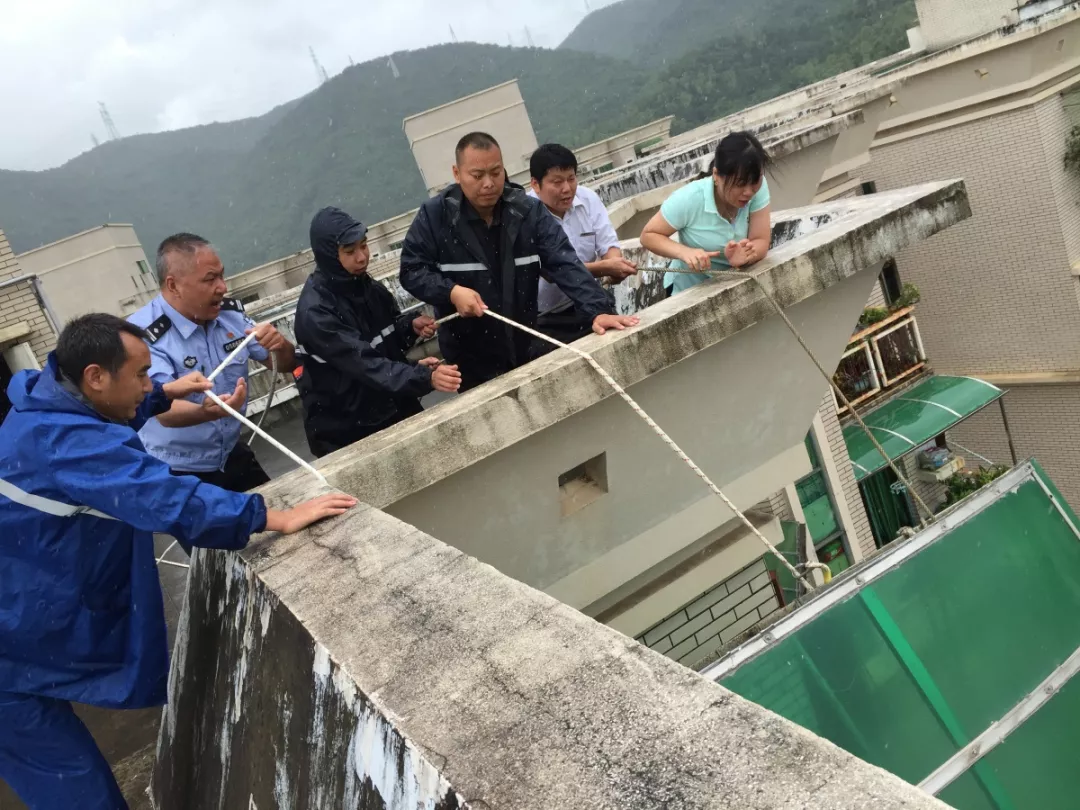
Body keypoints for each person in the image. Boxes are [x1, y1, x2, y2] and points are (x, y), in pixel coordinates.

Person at [0, 313, 356, 810]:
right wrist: (273, 516)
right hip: (10, 648)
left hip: (20, 621)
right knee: (75, 787)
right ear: (95, 376)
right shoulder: (66, 444)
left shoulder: (43, 403)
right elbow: (166, 498)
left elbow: (101, 416)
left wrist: (164, 395)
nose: (150, 383)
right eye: (142, 375)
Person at [399, 131, 639, 391]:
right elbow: (411, 270)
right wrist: (452, 292)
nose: (489, 183)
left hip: (526, 343)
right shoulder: (436, 217)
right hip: (470, 357)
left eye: (496, 172)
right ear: (457, 174)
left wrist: (598, 310)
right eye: (478, 176)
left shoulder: (527, 211)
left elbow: (564, 262)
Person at [128, 233, 296, 499]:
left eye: (221, 276)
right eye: (210, 279)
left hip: (229, 453)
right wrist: (206, 412)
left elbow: (285, 365)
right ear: (173, 285)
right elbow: (163, 410)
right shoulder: (142, 335)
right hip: (178, 469)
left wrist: (280, 345)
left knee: (280, 511)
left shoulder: (229, 315)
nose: (222, 288)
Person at [294, 207, 462, 457]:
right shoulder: (316, 313)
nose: (362, 257)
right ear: (328, 255)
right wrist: (422, 377)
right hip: (349, 434)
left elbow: (383, 339)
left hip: (391, 410)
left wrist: (408, 327)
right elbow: (366, 365)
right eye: (350, 251)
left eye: (364, 245)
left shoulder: (369, 288)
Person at [528, 143, 639, 345]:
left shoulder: (588, 199)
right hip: (545, 317)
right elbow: (551, 270)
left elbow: (608, 244)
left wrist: (616, 266)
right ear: (536, 184)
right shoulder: (525, 215)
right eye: (557, 182)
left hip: (589, 302)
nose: (567, 188)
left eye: (571, 178)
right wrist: (605, 267)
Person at [639, 131, 773, 296]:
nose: (749, 192)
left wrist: (745, 257)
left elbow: (761, 240)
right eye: (740, 183)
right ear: (716, 176)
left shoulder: (758, 189)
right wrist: (685, 253)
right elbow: (648, 235)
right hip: (690, 291)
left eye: (755, 182)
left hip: (733, 286)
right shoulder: (689, 199)